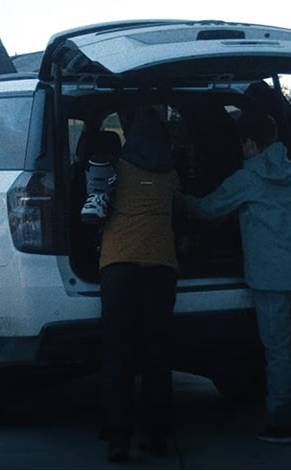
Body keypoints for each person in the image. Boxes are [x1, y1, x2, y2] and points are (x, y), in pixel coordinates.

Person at [184, 110, 291, 444]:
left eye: (243, 144)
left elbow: (210, 208)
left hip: (271, 278)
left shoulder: (248, 177)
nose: (241, 150)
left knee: (277, 352)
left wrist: (177, 201)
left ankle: (280, 423)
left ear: (250, 143)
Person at [99, 105, 180, 463]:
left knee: (119, 353)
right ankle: (157, 436)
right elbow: (182, 212)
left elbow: (96, 205)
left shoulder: (117, 171)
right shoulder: (171, 176)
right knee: (157, 355)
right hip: (161, 268)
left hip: (118, 268)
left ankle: (118, 438)